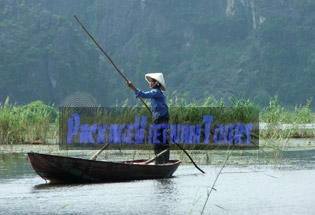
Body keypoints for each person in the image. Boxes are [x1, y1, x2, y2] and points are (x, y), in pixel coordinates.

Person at [126, 73, 170, 164]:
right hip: (162, 118)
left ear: (156, 83)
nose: (150, 83)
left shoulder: (156, 92)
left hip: (161, 119)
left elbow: (143, 94)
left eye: (152, 82)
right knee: (162, 139)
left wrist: (132, 87)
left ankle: (159, 161)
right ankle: (163, 160)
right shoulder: (157, 94)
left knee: (157, 140)